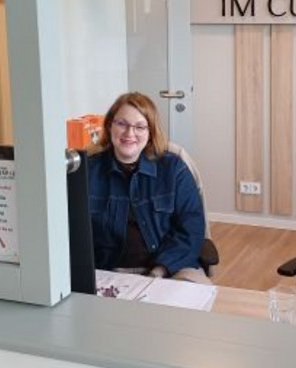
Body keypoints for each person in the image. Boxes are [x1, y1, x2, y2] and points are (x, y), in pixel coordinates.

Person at [87, 92, 210, 283]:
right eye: (122, 124)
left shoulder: (174, 169)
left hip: (171, 268)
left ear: (150, 132)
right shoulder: (87, 171)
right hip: (107, 271)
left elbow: (191, 229)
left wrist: (158, 272)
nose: (129, 133)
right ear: (110, 126)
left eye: (140, 127)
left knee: (195, 294)